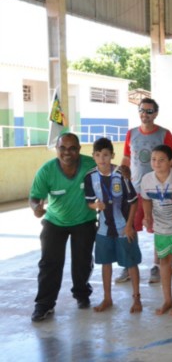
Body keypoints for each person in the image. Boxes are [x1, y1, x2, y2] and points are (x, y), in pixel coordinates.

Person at [29, 133, 98, 322]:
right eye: (63, 148)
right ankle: (44, 304)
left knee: (82, 261)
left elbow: (108, 171)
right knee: (49, 263)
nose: (67, 152)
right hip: (55, 221)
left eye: (72, 148)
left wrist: (122, 171)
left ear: (79, 149)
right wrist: (36, 208)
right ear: (57, 149)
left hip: (84, 220)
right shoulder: (47, 171)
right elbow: (34, 197)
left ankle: (82, 294)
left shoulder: (90, 165)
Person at [120, 98, 172, 284]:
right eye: (142, 110)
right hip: (135, 190)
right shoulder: (131, 134)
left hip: (159, 192)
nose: (144, 114)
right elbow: (126, 160)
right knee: (130, 228)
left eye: (149, 111)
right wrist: (122, 181)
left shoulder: (165, 134)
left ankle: (156, 266)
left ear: (155, 113)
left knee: (159, 229)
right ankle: (129, 267)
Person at [84, 138, 142, 314]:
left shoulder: (121, 175)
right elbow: (89, 202)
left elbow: (133, 202)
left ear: (112, 156)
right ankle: (107, 298)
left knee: (131, 263)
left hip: (124, 227)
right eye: (98, 155)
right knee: (105, 263)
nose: (102, 159)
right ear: (93, 156)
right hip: (103, 229)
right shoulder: (90, 177)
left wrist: (130, 225)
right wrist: (96, 206)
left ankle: (137, 297)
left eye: (106, 155)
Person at [140, 145, 172, 315]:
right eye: (153, 159)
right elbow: (146, 200)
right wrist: (148, 216)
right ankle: (167, 300)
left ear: (171, 162)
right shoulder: (147, 179)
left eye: (161, 160)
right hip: (160, 226)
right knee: (164, 262)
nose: (156, 163)